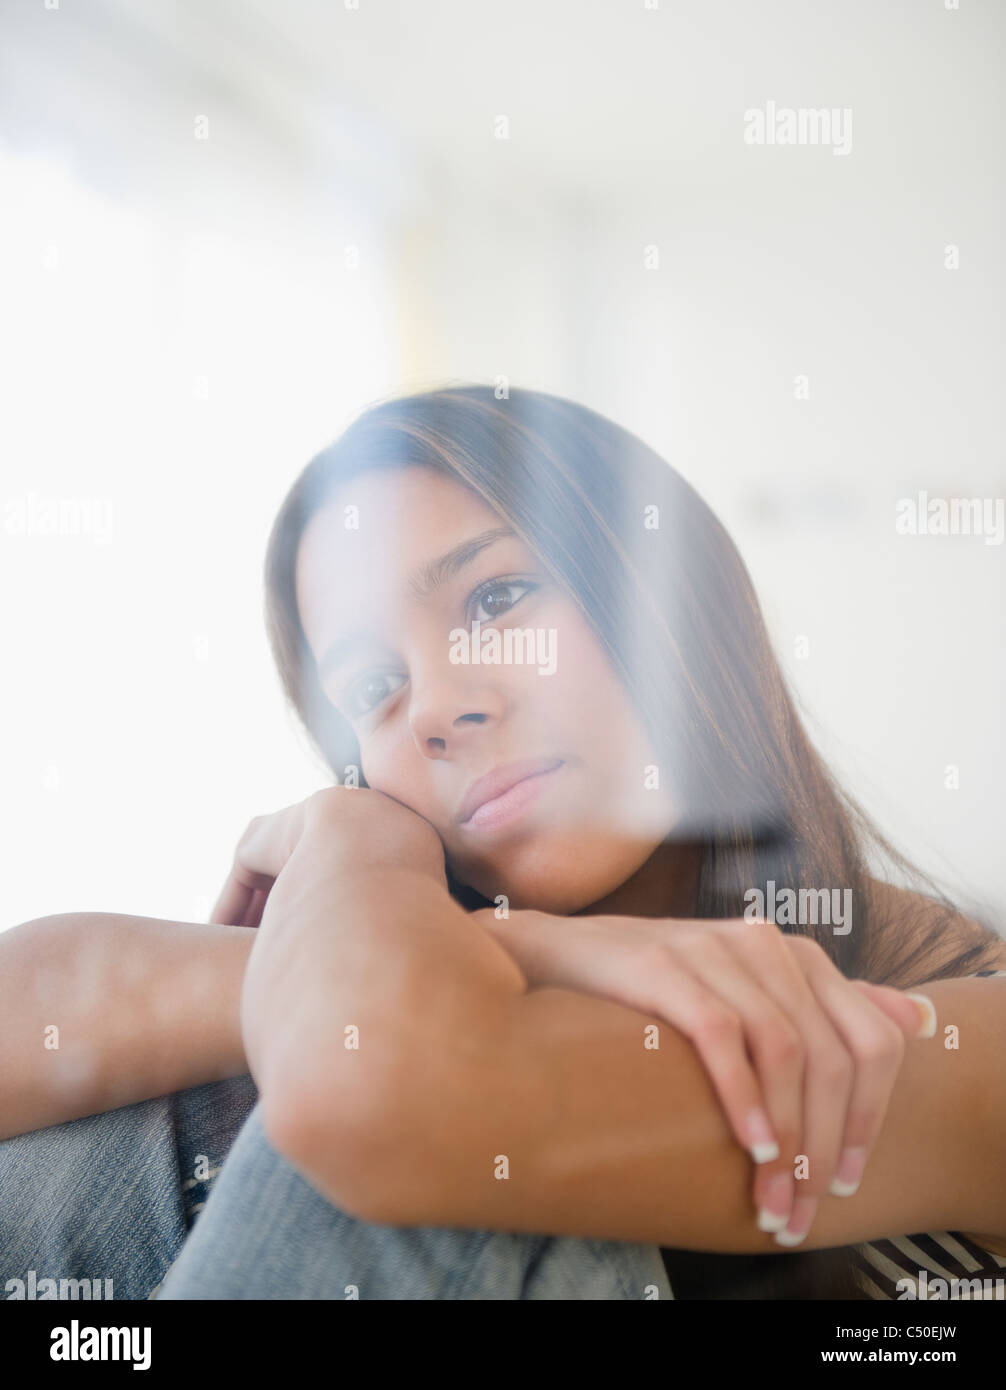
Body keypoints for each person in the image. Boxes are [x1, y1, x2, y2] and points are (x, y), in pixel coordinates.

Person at [3, 384, 1005, 1300]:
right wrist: (384, 855)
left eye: (495, 598)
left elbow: (395, 1094)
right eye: (368, 689)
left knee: (408, 1159)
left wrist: (350, 852)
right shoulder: (383, 971)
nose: (435, 705)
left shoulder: (974, 1032)